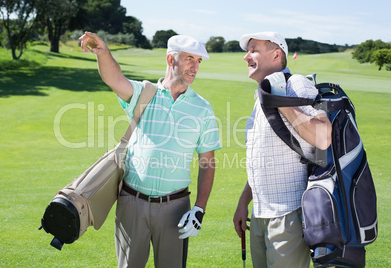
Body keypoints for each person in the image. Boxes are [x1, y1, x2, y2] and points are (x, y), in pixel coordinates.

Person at [79, 32, 221, 267]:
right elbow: (114, 79)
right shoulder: (144, 94)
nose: (195, 67)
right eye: (189, 59)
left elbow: (207, 162)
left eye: (198, 61)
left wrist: (199, 209)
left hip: (176, 209)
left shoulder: (203, 109)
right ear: (170, 60)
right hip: (132, 204)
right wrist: (104, 53)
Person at [233, 32, 332, 268]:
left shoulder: (295, 83)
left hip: (289, 214)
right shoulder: (261, 95)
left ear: (276, 54)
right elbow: (263, 159)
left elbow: (322, 136)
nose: (246, 57)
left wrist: (281, 103)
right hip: (260, 214)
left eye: (254, 49)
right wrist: (243, 202)